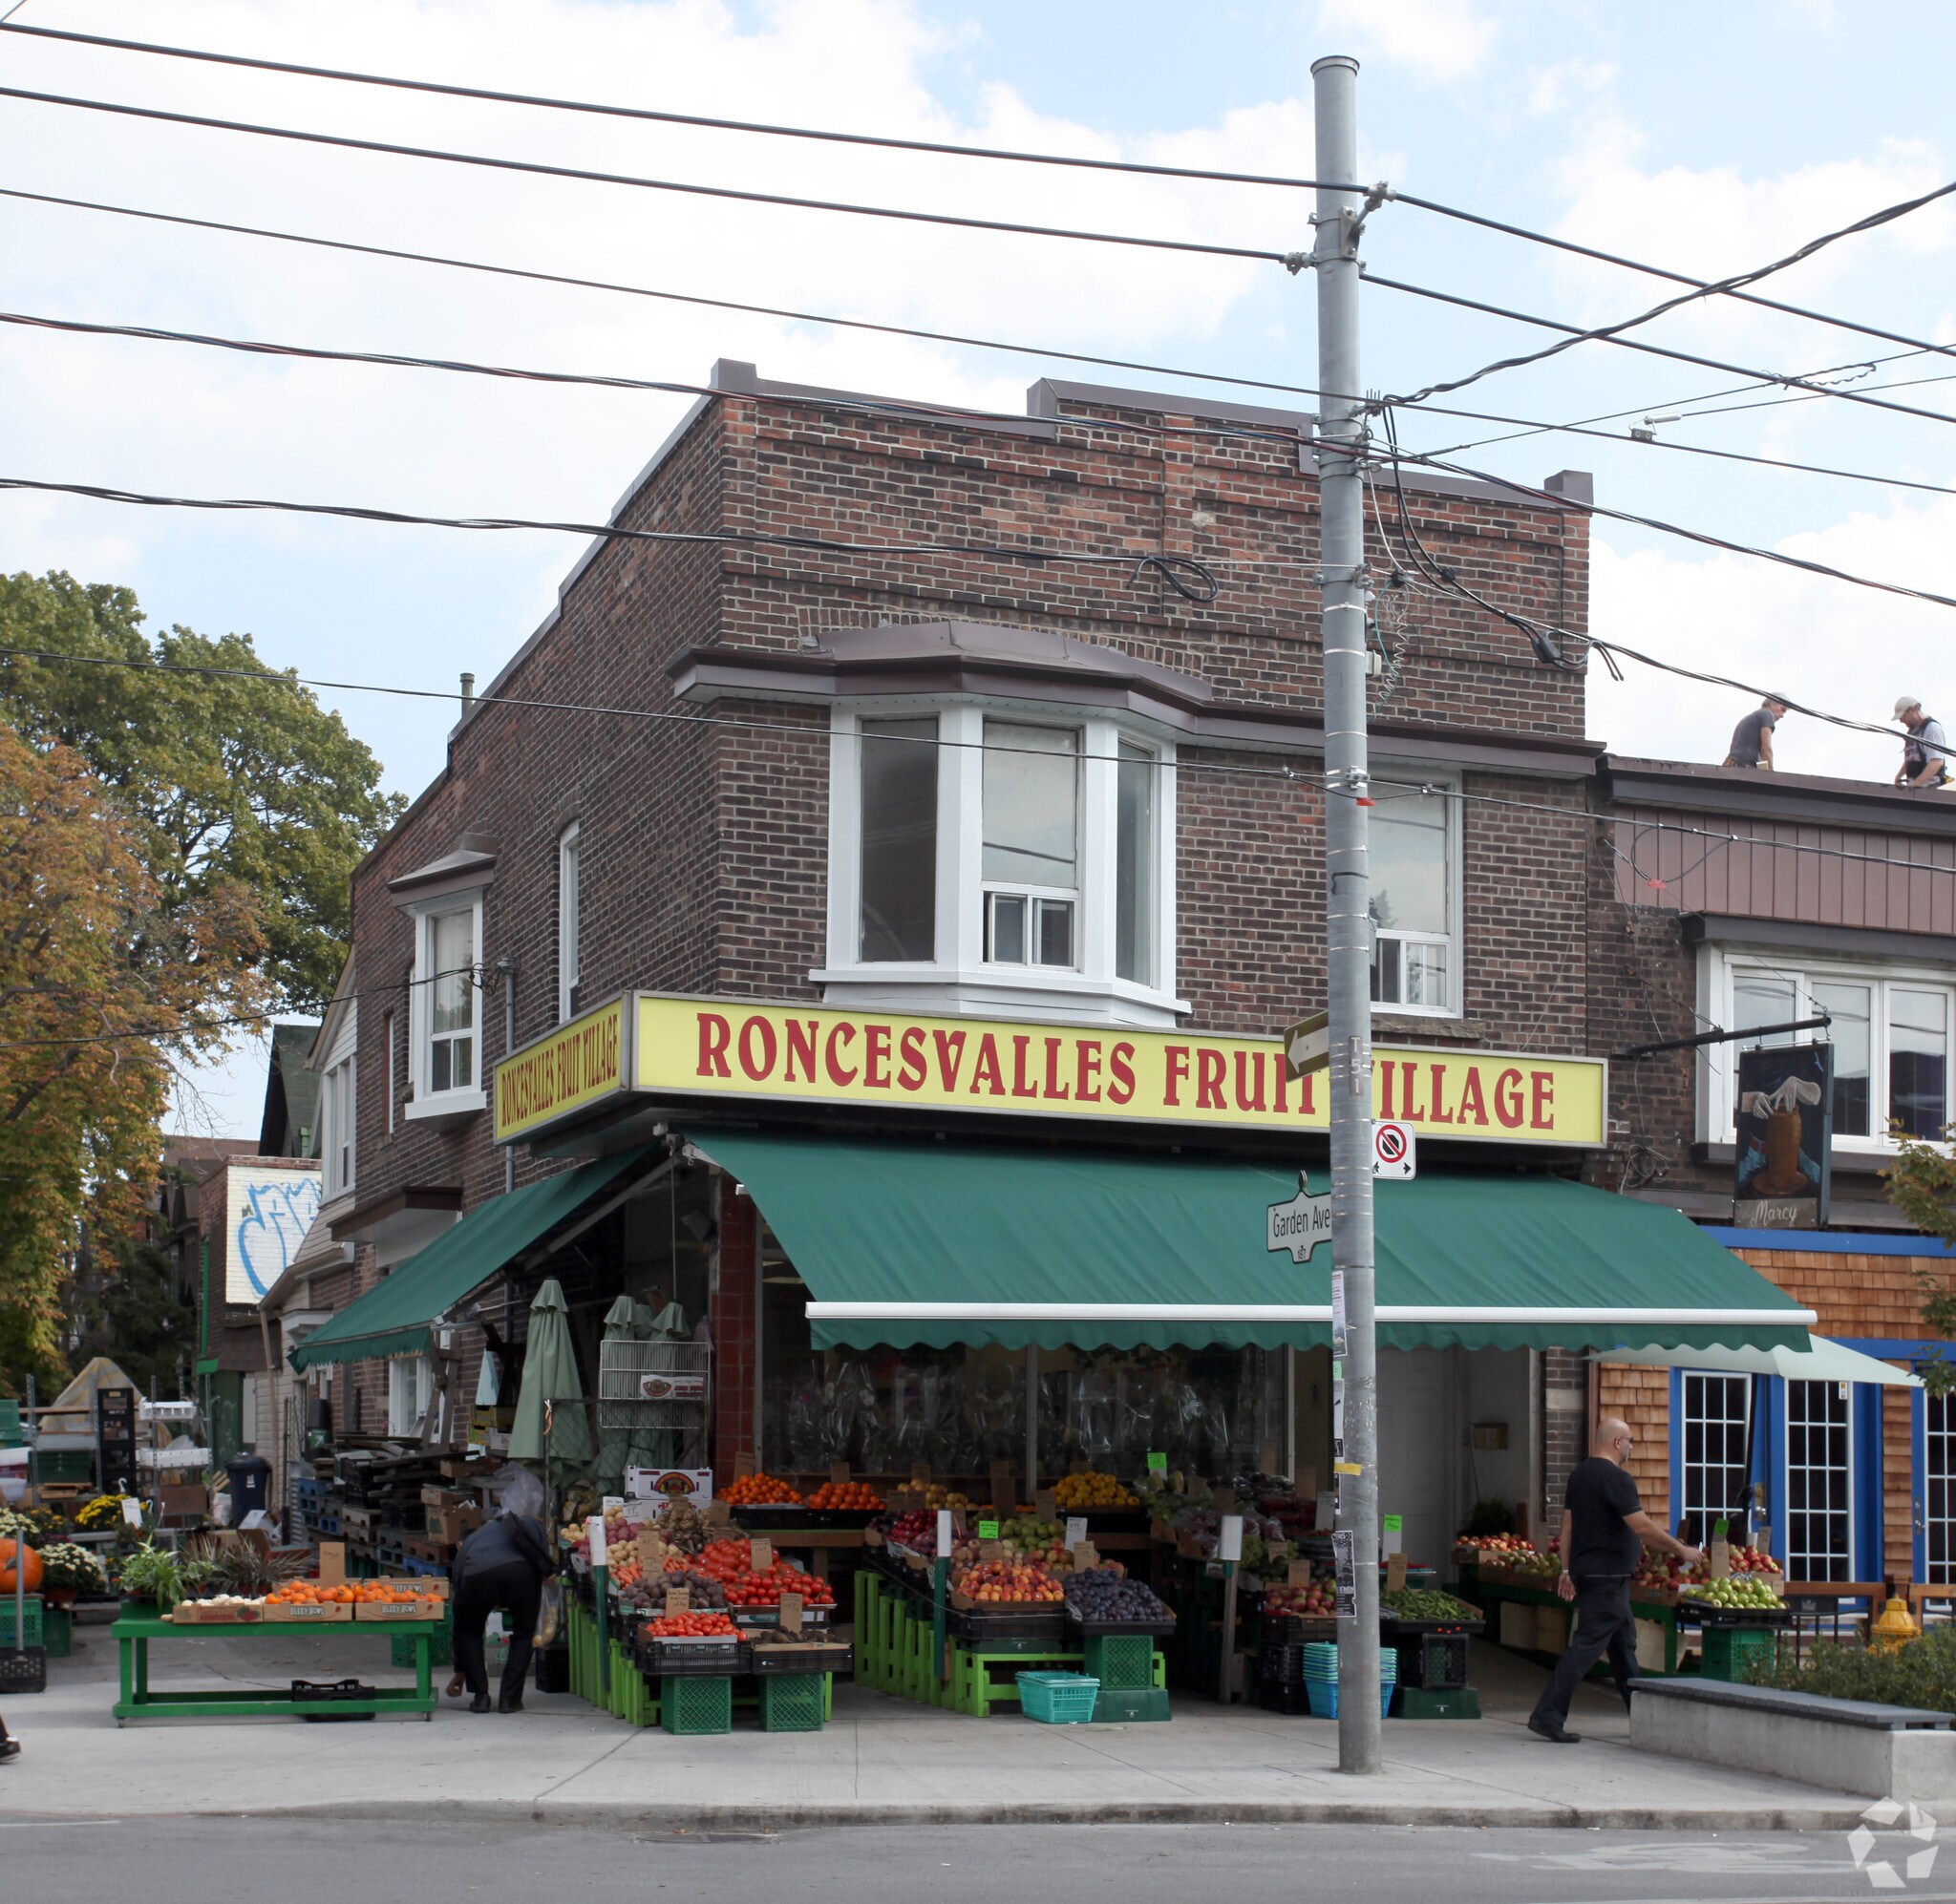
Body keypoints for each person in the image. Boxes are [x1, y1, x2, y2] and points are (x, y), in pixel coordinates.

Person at [1528, 1417, 1703, 1745]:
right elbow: (1642, 1527)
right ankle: (1547, 1716)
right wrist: (1681, 1549)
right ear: (1617, 1442)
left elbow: (1567, 1527)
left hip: (1596, 1575)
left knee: (1623, 1648)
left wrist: (1566, 1570)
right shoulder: (1616, 1478)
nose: (1633, 1447)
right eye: (1631, 1441)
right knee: (1585, 1646)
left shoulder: (1579, 1475)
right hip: (1607, 1577)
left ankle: (1641, 1716)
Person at [449, 1498, 555, 1714]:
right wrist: (547, 1573)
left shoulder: (469, 1545)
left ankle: (480, 1698)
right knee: (524, 1633)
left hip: (476, 1573)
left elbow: (460, 1616)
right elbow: (542, 1558)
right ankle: (509, 1699)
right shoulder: (527, 1525)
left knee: (470, 1631)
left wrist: (460, 1669)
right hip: (521, 1572)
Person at [1894, 696, 1950, 789]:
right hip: (1916, 789)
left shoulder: (1932, 728)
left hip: (1931, 789)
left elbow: (1936, 761)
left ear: (1912, 710)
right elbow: (1912, 759)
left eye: (1902, 716)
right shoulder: (1912, 732)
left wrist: (1917, 783)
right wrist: (1899, 776)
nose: (1901, 721)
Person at [1724, 695, 1788, 770]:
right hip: (1745, 765)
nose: (1782, 715)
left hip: (1732, 765)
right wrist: (1771, 777)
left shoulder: (1747, 719)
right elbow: (1766, 749)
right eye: (1782, 709)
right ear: (1772, 703)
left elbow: (1761, 757)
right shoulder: (1767, 714)